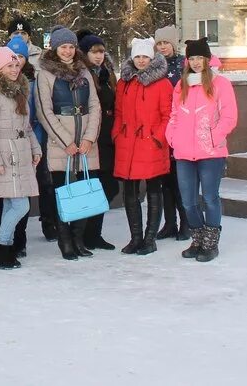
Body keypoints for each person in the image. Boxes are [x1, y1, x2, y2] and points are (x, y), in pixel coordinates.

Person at [166, 38, 239, 262]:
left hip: (211, 152)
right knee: (188, 201)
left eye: (200, 58)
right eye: (193, 58)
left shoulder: (221, 84)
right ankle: (197, 239)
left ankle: (210, 243)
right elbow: (174, 115)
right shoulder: (182, 84)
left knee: (209, 198)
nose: (196, 63)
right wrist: (173, 138)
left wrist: (213, 137)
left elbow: (229, 116)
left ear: (208, 59)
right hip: (184, 152)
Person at [34, 27, 103, 261]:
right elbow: (45, 111)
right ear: (55, 48)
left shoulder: (83, 71)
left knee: (84, 190)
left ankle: (78, 237)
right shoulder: (45, 73)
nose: (67, 51)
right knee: (61, 191)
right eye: (63, 46)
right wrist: (65, 141)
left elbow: (94, 106)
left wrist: (88, 138)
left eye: (71, 47)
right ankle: (65, 240)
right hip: (60, 142)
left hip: (84, 138)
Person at [0, 45, 42, 270]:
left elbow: (26, 126)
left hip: (22, 153)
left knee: (11, 204)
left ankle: (3, 248)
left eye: (17, 65)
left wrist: (36, 149)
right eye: (9, 65)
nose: (15, 69)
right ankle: (1, 245)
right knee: (20, 206)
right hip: (5, 156)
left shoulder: (20, 91)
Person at [114, 37, 172, 256]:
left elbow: (168, 115)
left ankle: (150, 238)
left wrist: (157, 137)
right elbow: (119, 111)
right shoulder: (124, 82)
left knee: (154, 189)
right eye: (137, 56)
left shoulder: (162, 83)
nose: (140, 60)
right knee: (129, 191)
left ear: (152, 58)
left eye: (145, 56)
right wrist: (118, 134)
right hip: (128, 142)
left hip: (151, 143)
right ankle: (135, 238)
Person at [77, 32, 117, 250]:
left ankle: (94, 233)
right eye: (94, 52)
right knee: (91, 186)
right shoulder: (81, 75)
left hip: (108, 137)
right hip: (90, 137)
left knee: (109, 187)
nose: (99, 56)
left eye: (101, 51)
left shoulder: (107, 73)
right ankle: (83, 234)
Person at [154, 24, 191, 242]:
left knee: (181, 180)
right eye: (159, 43)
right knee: (164, 182)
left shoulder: (183, 65)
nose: (163, 47)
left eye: (166, 43)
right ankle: (169, 223)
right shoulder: (153, 66)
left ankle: (186, 221)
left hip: (180, 127)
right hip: (160, 129)